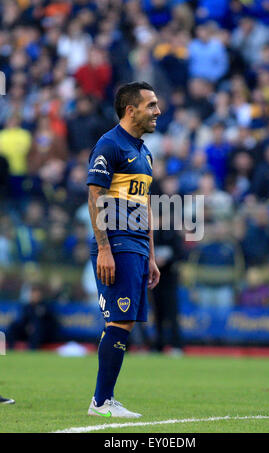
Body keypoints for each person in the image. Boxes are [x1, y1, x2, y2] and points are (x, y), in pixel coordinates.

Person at [86, 81, 161, 418]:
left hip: (137, 246)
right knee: (121, 319)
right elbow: (95, 197)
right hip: (116, 242)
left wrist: (152, 256)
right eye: (151, 105)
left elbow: (145, 207)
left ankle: (104, 400)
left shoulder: (145, 153)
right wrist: (104, 248)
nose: (157, 111)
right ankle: (101, 402)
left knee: (124, 321)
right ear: (131, 110)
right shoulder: (110, 144)